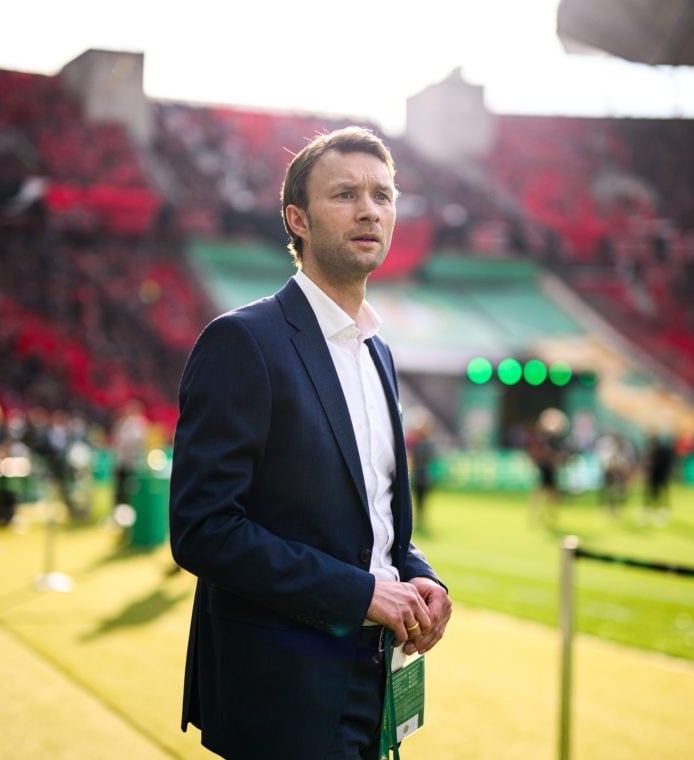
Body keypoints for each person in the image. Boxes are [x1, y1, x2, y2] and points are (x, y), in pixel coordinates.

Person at [169, 126, 451, 760]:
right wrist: (361, 593)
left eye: (383, 195)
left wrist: (417, 573)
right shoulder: (243, 341)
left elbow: (372, 514)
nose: (368, 210)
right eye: (345, 194)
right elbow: (202, 529)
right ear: (297, 219)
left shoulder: (376, 349)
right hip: (282, 687)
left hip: (378, 672)